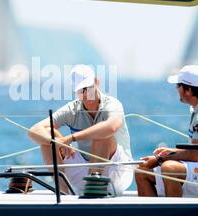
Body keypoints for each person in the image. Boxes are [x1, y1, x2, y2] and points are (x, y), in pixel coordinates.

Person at [29, 64, 134, 195]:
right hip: (84, 169)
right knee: (47, 139)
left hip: (118, 170)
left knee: (102, 134)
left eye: (88, 88)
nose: (85, 94)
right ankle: (63, 193)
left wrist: (71, 138)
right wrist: (56, 142)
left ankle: (93, 188)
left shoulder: (113, 104)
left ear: (96, 82)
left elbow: (111, 126)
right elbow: (34, 130)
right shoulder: (71, 109)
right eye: (80, 90)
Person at [135, 65, 198, 198]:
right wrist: (167, 153)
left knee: (170, 169)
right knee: (141, 172)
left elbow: (194, 155)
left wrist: (159, 158)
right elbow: (196, 152)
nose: (176, 89)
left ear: (188, 90)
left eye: (178, 86)